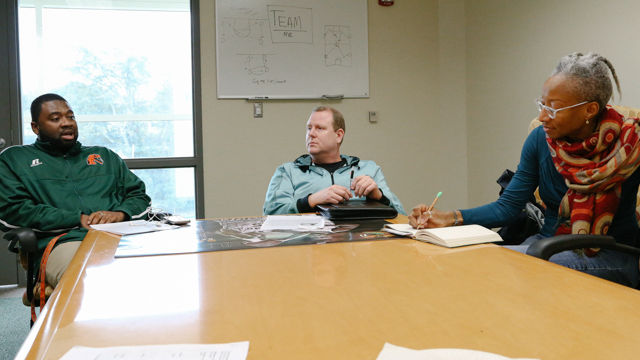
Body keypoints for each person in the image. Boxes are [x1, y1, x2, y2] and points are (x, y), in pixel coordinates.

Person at [409, 52, 640, 287]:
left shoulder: (631, 145)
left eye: (552, 109)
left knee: (515, 271)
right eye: (542, 104)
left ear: (589, 110)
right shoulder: (540, 140)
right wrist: (448, 217)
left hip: (611, 254)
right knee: (471, 261)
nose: (541, 117)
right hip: (546, 245)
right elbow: (508, 206)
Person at [0, 93, 151, 302]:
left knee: (163, 274)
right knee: (94, 284)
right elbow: (12, 211)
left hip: (122, 238)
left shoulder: (104, 156)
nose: (66, 123)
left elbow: (139, 197)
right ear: (36, 127)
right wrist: (76, 219)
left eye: (70, 117)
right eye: (55, 119)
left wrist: (120, 213)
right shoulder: (14, 159)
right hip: (63, 243)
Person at [264, 106, 405, 216]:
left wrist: (378, 196)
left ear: (338, 135)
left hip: (359, 245)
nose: (311, 134)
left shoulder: (369, 169)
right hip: (309, 245)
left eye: (320, 128)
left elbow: (401, 215)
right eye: (309, 128)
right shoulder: (288, 171)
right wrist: (312, 200)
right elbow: (270, 214)